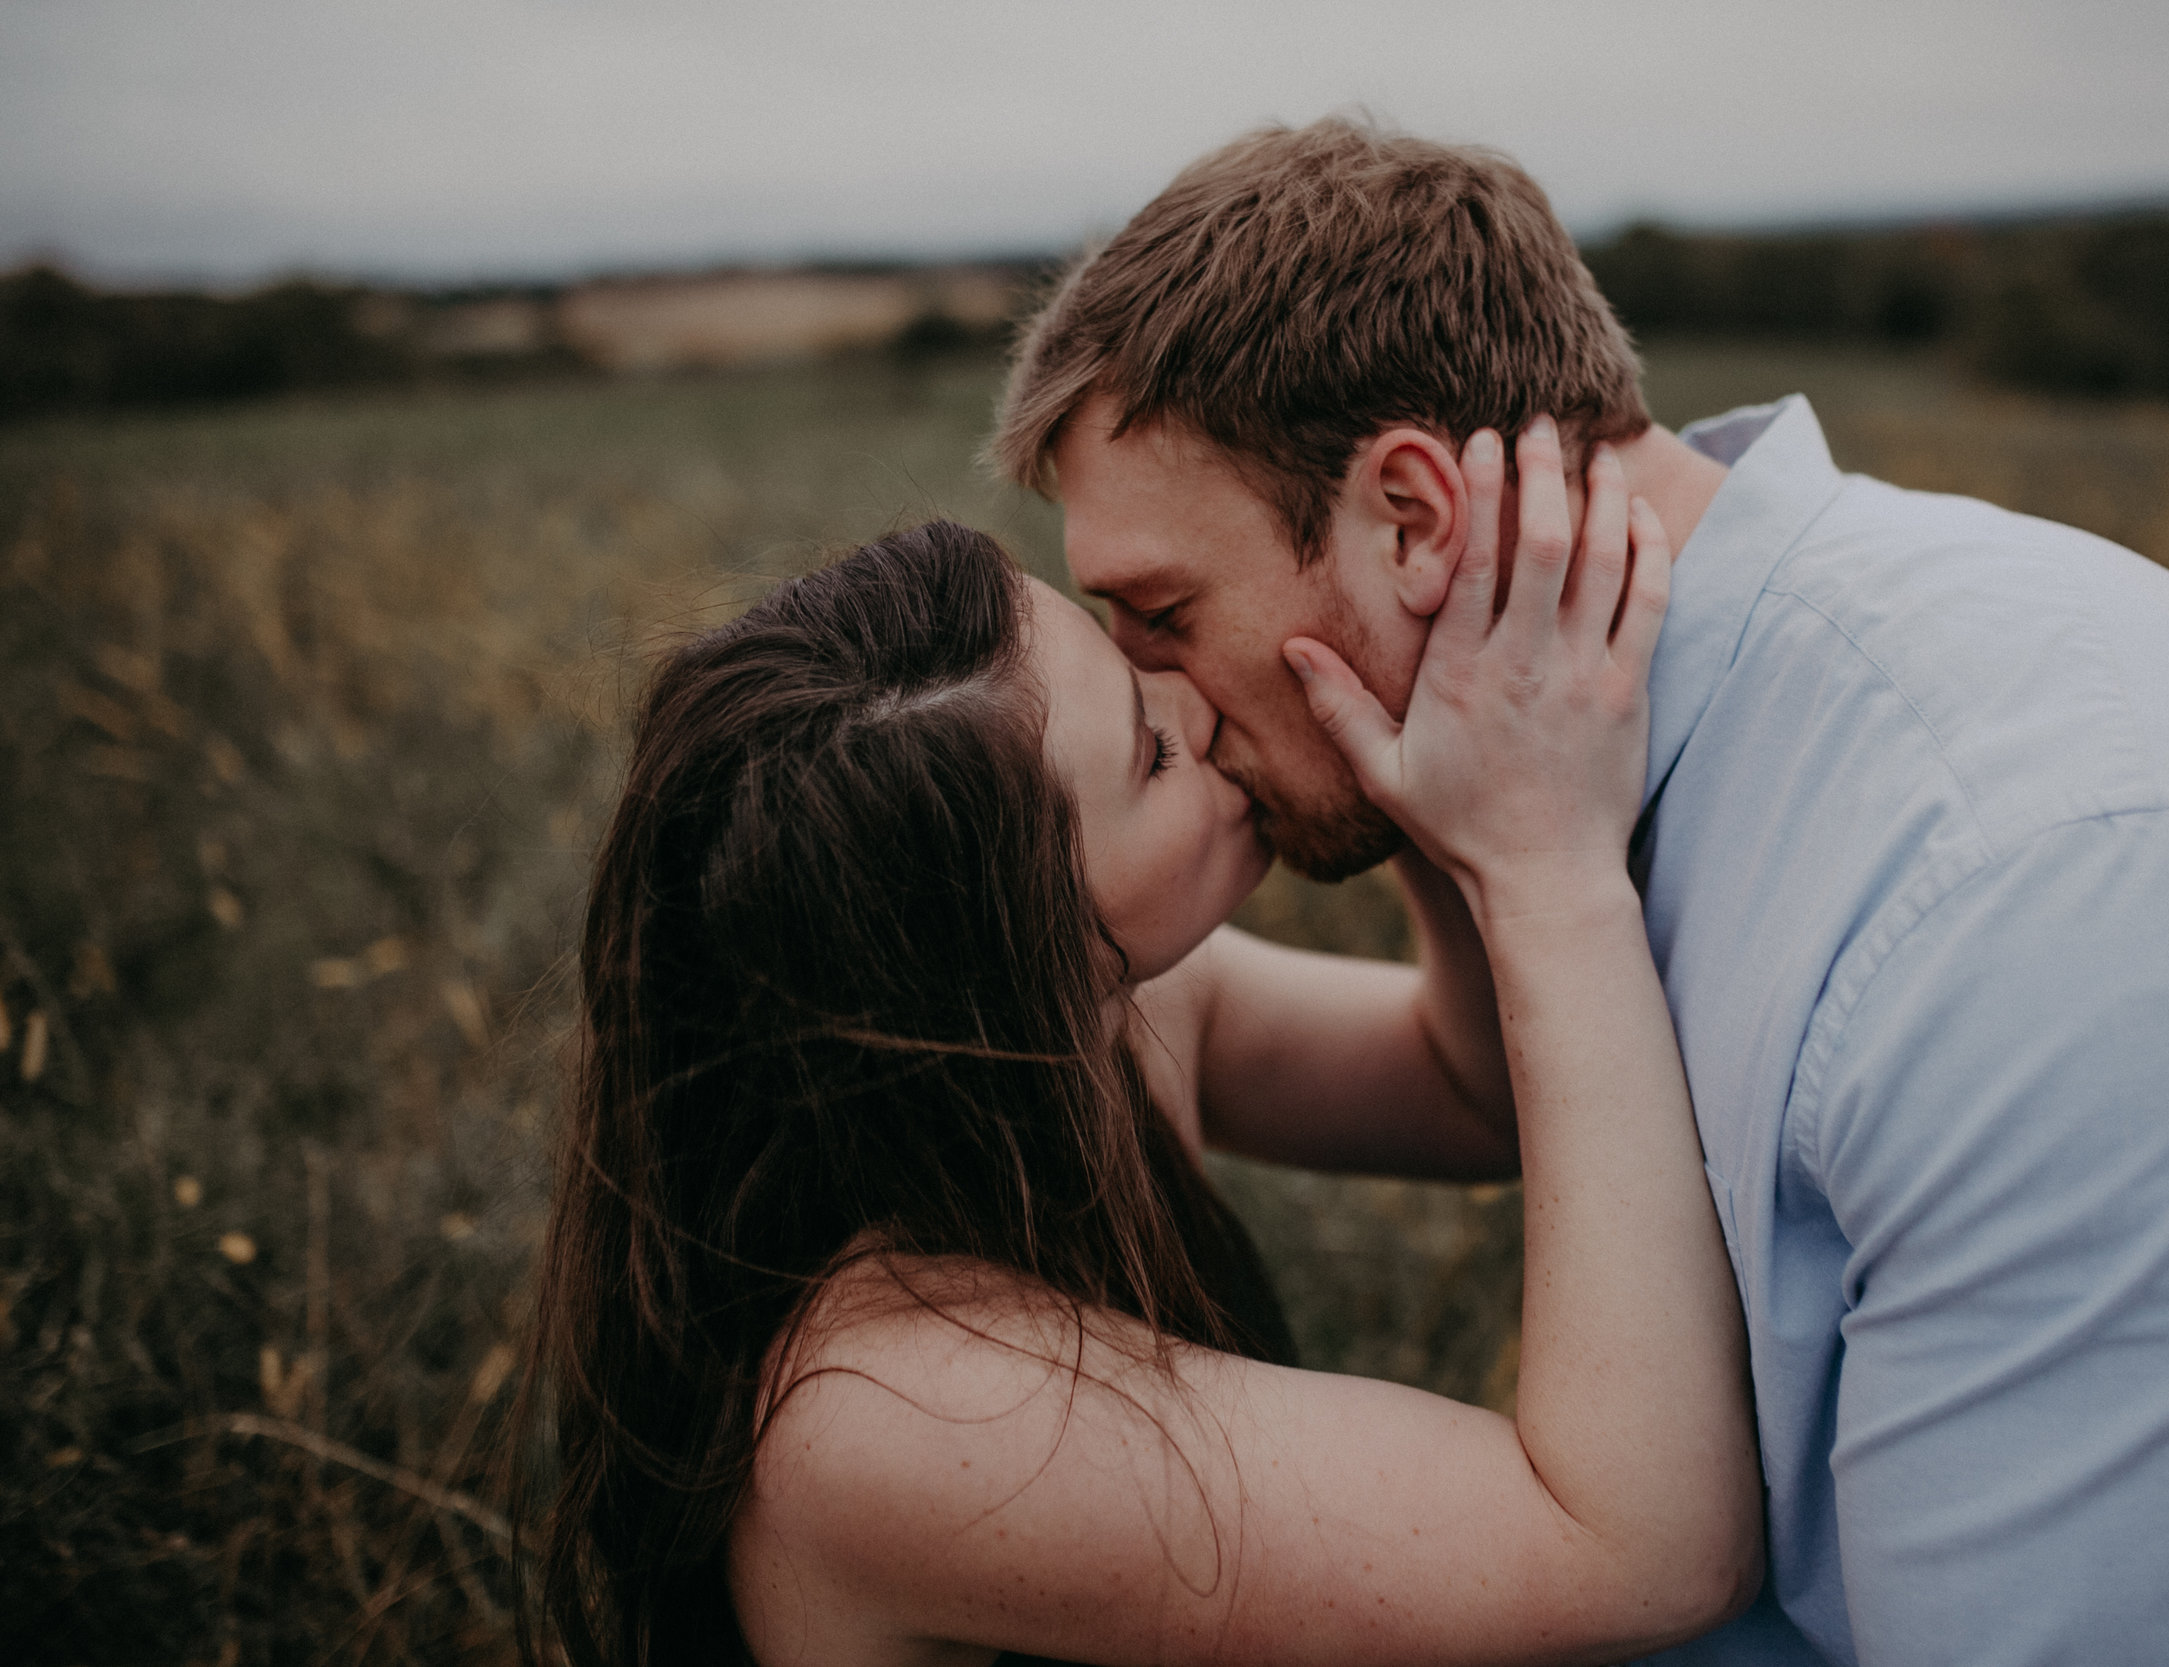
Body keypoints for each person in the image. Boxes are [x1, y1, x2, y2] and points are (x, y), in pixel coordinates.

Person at [988, 117, 2169, 1665]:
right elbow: (1478, 1087)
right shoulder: (1610, 759)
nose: (1149, 690)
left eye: (1162, 613)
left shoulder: (2050, 906)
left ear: (1417, 520)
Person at [518, 435, 1763, 1665]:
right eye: (1150, 751)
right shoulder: (900, 1409)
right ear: (1016, 971)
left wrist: (1397, 732)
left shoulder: (1109, 1026)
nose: (1201, 699)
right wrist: (1547, 867)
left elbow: (1463, 1086)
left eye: (1131, 644)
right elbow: (1643, 1554)